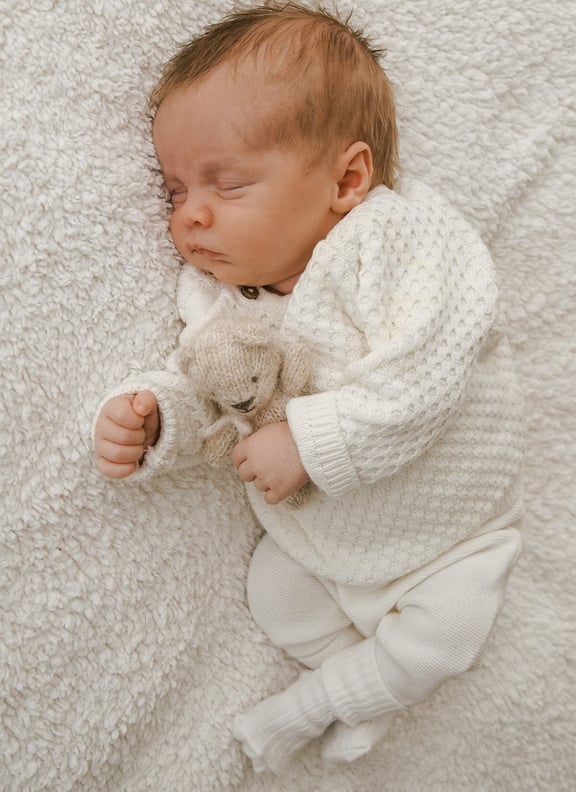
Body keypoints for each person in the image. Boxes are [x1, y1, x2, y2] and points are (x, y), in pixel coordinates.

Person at [93, 1, 524, 775]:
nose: (191, 216)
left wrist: (312, 440)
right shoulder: (222, 298)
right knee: (277, 597)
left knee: (449, 630)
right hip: (327, 540)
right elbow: (219, 383)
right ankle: (363, 681)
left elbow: (430, 368)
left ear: (347, 179)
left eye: (225, 184)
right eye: (174, 193)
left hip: (456, 525)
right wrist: (157, 417)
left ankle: (323, 704)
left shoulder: (397, 240)